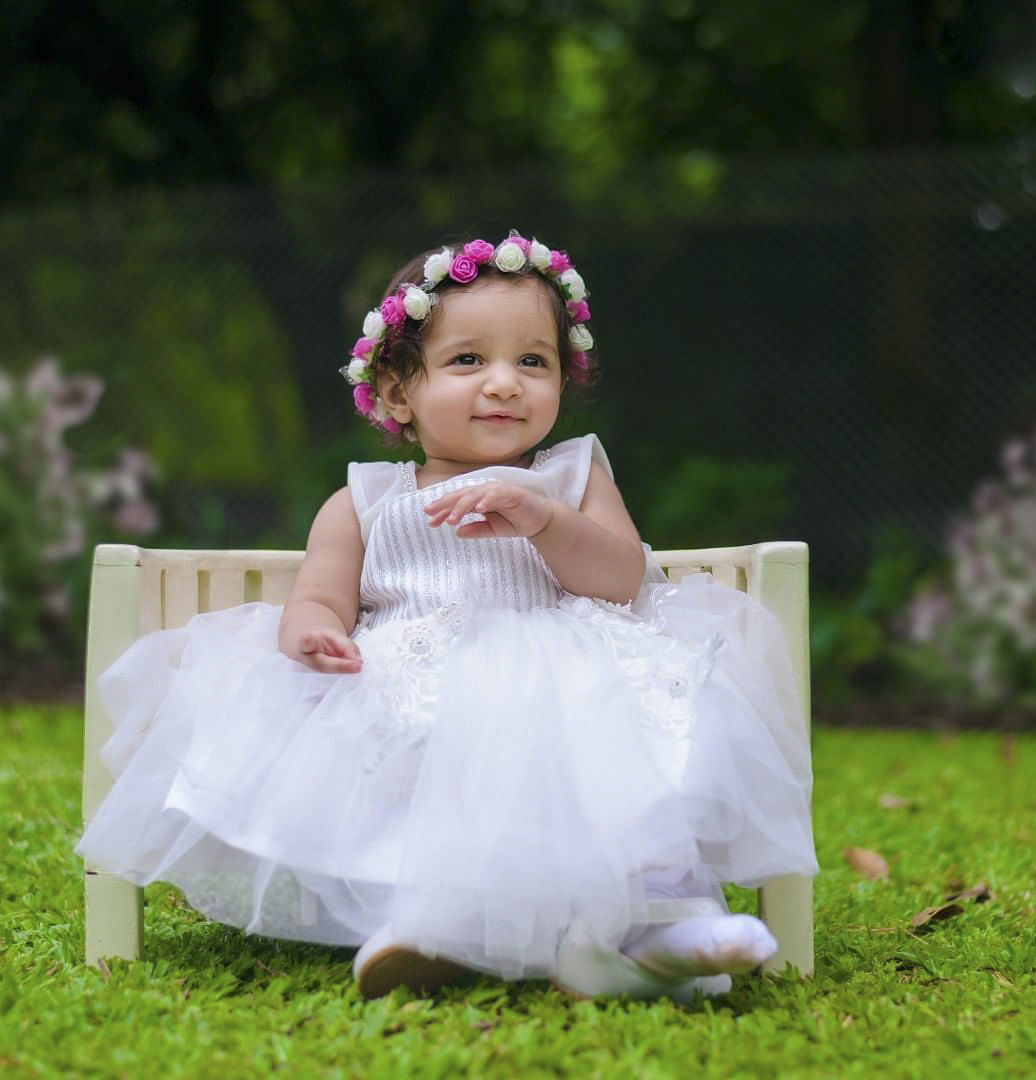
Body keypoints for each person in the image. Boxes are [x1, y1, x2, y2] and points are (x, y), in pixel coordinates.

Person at [76, 231, 818, 1002]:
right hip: (419, 673)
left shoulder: (572, 475)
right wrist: (311, 631)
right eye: (469, 361)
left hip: (571, 676)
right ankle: (422, 922)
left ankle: (666, 922)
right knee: (405, 766)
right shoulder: (366, 499)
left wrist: (543, 519)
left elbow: (621, 579)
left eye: (533, 361)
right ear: (398, 391)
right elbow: (321, 594)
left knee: (639, 759)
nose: (505, 383)